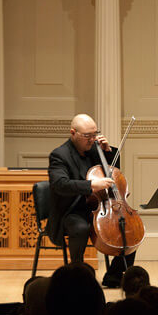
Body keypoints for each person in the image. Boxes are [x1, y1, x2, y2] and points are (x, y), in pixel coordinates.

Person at [47, 113, 135, 288]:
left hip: (99, 206)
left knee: (128, 226)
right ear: (73, 133)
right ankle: (76, 276)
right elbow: (60, 184)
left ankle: (114, 276)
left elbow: (112, 172)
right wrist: (91, 185)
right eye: (88, 136)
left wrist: (108, 152)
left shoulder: (97, 150)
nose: (93, 139)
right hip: (72, 210)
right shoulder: (59, 155)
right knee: (81, 228)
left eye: (95, 134)